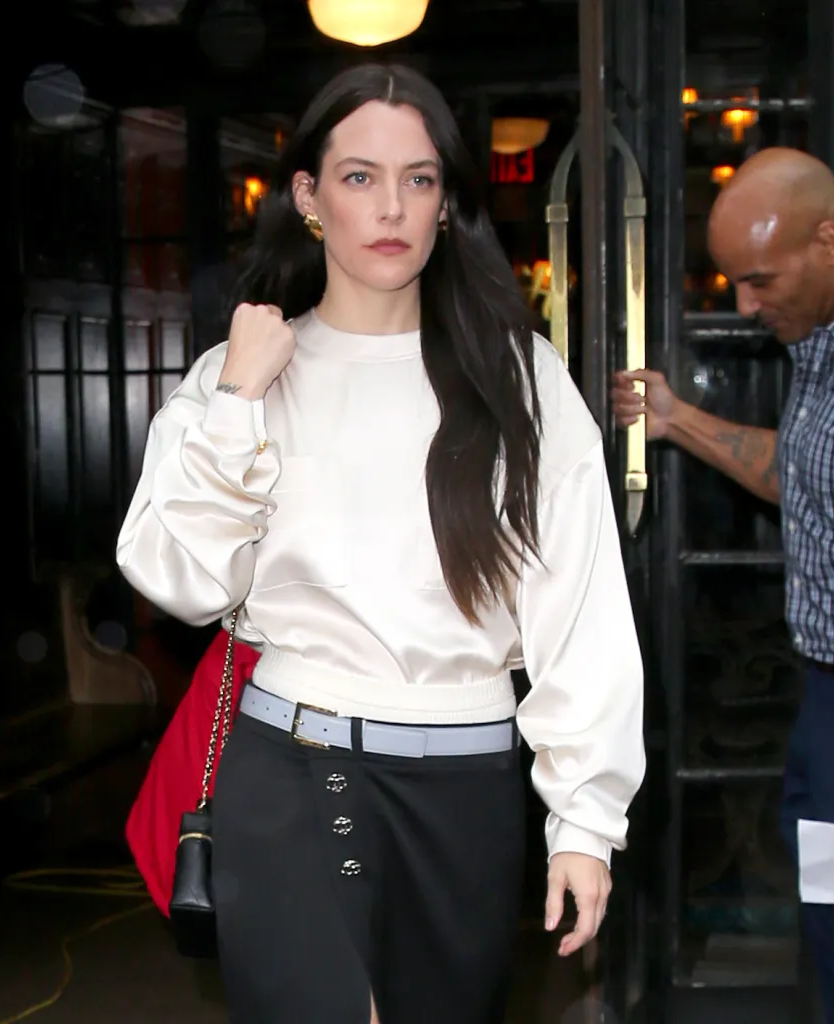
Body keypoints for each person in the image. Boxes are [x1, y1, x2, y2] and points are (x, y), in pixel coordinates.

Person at [118, 62, 645, 1024]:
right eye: (359, 177)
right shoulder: (237, 374)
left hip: (468, 779)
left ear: (446, 203)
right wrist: (237, 401)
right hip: (292, 766)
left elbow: (582, 609)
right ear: (308, 197)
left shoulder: (519, 378)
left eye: (419, 178)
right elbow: (179, 581)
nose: (391, 206)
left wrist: (585, 816)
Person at [611, 147, 834, 1024]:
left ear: (827, 241)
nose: (746, 305)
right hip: (831, 708)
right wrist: (677, 420)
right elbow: (806, 476)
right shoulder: (824, 346)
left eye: (759, 281)